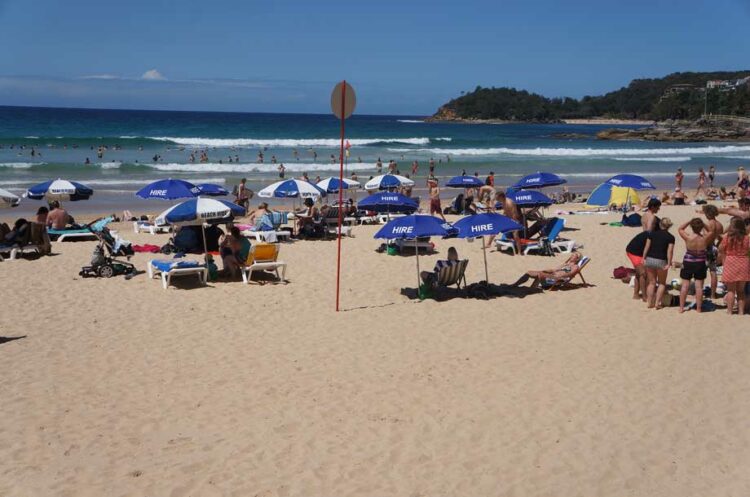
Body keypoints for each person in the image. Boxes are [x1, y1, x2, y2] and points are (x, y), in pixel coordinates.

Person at [677, 218, 714, 313]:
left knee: (685, 286)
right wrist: (703, 224)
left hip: (688, 262)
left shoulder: (688, 237)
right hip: (700, 263)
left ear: (692, 227)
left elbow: (680, 229)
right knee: (699, 287)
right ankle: (698, 308)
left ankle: (681, 307)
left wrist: (689, 221)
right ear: (701, 227)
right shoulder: (704, 238)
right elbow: (711, 231)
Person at [718, 218, 750, 315]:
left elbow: (721, 249)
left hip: (730, 262)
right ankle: (741, 311)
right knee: (741, 291)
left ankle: (729, 311)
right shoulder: (747, 238)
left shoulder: (727, 237)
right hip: (744, 263)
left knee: (731, 290)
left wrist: (724, 262)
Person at [642, 218, 675, 310]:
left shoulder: (652, 234)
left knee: (651, 283)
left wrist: (643, 258)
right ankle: (657, 303)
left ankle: (649, 302)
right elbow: (670, 251)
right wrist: (669, 263)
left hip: (650, 259)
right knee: (662, 283)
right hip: (661, 260)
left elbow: (647, 246)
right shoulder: (670, 237)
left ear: (660, 225)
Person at [510, 252, 583, 288]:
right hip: (552, 275)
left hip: (557, 279)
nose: (571, 256)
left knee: (540, 275)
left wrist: (559, 275)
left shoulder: (575, 267)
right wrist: (547, 270)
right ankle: (515, 285)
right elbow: (554, 269)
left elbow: (569, 274)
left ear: (577, 259)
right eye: (572, 255)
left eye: (574, 255)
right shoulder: (565, 264)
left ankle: (532, 289)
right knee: (529, 272)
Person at [699, 204, 725, 299]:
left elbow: (706, 238)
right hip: (714, 248)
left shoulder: (709, 224)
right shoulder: (719, 224)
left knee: (701, 272)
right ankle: (713, 295)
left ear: (708, 213)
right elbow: (721, 239)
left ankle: (700, 293)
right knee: (713, 272)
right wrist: (717, 247)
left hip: (706, 249)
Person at [625, 230, 649, 301]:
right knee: (643, 273)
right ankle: (645, 296)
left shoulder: (652, 233)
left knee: (639, 273)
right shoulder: (651, 235)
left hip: (639, 252)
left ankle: (636, 294)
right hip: (633, 252)